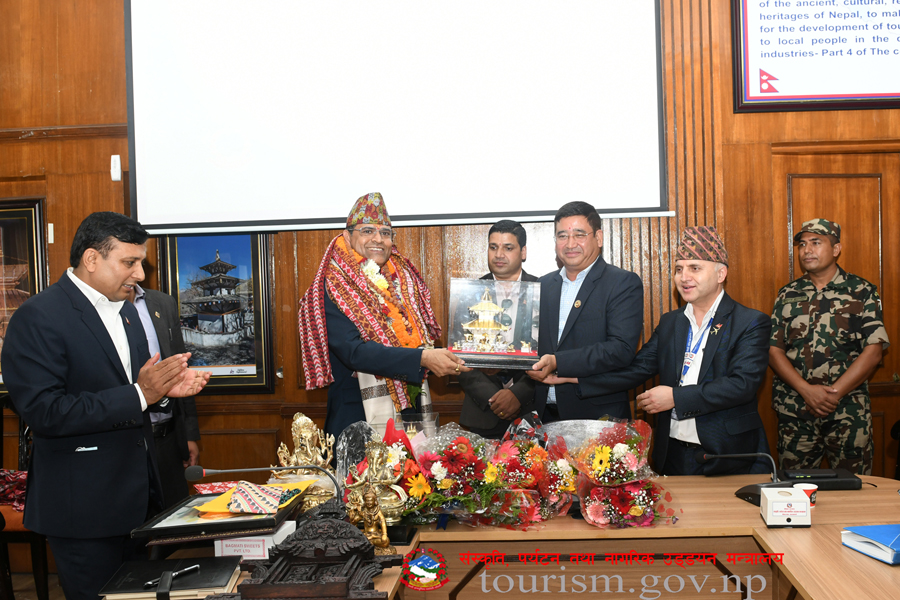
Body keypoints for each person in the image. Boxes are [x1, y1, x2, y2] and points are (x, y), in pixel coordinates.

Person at [1, 211, 210, 599]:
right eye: (129, 263)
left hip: (141, 501)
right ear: (92, 259)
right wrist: (141, 395)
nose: (140, 275)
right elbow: (45, 413)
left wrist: (164, 392)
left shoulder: (128, 312)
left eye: (141, 263)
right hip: (82, 510)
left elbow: (131, 392)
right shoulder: (38, 317)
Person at [571, 227, 771, 475]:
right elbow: (636, 369)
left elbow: (742, 385)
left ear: (721, 273)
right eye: (679, 269)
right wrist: (574, 377)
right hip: (672, 453)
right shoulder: (671, 323)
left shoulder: (750, 322)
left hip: (728, 454)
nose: (683, 277)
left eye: (694, 268)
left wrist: (676, 398)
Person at [298, 193, 468, 439]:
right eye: (367, 231)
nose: (378, 239)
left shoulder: (403, 283)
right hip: (359, 422)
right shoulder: (332, 286)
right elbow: (354, 352)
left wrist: (459, 357)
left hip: (411, 410)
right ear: (347, 236)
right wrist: (423, 358)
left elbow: (416, 340)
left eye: (386, 233)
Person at [769, 218, 888, 475]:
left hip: (847, 411)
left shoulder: (862, 291)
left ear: (836, 249)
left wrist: (833, 394)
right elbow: (774, 349)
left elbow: (874, 349)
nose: (807, 250)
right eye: (802, 244)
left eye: (816, 242)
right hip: (796, 411)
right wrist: (806, 391)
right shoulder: (787, 294)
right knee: (793, 491)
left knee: (854, 490)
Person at [527, 201, 643, 422]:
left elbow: (621, 349)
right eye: (562, 236)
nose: (570, 244)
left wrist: (558, 362)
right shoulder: (542, 285)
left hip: (596, 417)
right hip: (544, 416)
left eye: (579, 234)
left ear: (598, 238)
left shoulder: (622, 283)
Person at [458, 219, 538, 438]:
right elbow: (459, 356)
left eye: (508, 248)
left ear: (523, 252)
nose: (499, 254)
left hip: (531, 409)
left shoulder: (543, 292)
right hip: (483, 411)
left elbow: (551, 352)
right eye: (493, 247)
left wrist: (517, 394)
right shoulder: (469, 293)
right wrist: (494, 398)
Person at [129, 283, 201, 509]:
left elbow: (181, 371)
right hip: (127, 441)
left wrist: (188, 435)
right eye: (130, 262)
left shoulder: (163, 303)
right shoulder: (98, 309)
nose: (139, 273)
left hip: (168, 438)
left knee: (172, 527)